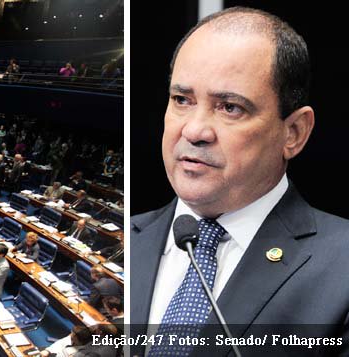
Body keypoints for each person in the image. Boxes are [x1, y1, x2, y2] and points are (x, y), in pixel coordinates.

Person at [132, 7, 349, 356]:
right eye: (182, 100)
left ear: (293, 133)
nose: (194, 130)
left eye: (230, 107)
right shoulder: (126, 240)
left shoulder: (343, 267)